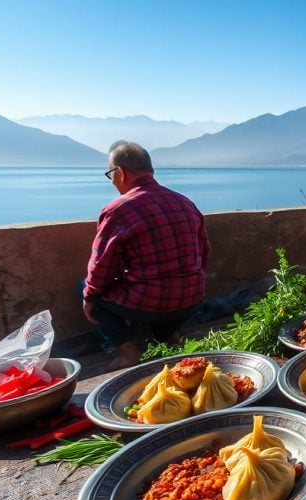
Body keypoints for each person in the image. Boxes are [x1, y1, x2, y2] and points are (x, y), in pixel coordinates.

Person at [82, 141, 211, 369]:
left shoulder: (118, 210)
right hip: (193, 298)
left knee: (91, 292)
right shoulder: (184, 202)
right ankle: (170, 339)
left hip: (152, 303)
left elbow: (101, 266)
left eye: (110, 174)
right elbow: (204, 252)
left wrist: (88, 298)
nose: (112, 181)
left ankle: (129, 354)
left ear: (120, 172)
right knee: (165, 294)